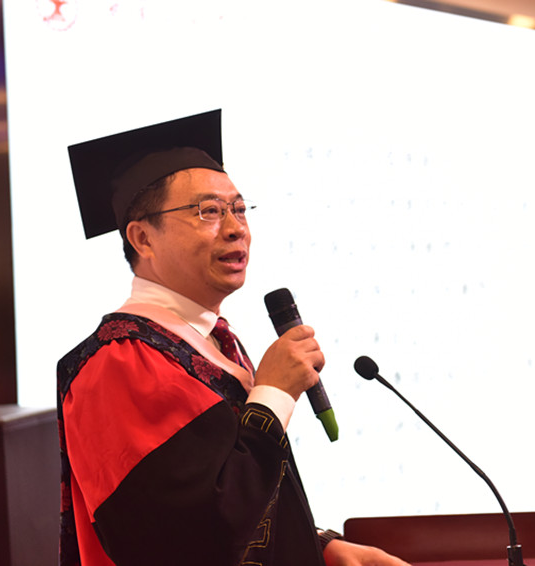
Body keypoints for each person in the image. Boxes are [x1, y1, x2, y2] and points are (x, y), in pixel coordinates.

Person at [57, 109, 410, 566]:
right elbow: (180, 538)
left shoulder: (210, 343)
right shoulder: (118, 362)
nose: (235, 228)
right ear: (143, 238)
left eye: (239, 209)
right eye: (208, 211)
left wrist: (322, 547)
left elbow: (243, 502)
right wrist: (273, 395)